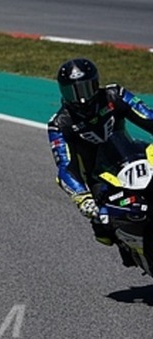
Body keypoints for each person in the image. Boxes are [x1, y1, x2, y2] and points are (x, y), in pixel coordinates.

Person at [47, 58, 153, 266]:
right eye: (72, 92)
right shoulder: (59, 124)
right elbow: (65, 167)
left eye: (85, 89)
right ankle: (135, 249)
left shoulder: (115, 95)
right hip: (101, 177)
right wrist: (82, 197)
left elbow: (148, 116)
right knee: (103, 230)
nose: (81, 98)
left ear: (96, 84)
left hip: (131, 157)